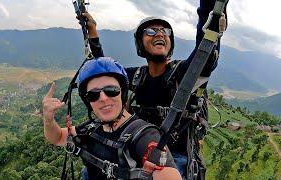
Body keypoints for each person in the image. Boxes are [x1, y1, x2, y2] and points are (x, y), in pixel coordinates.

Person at [79, 0, 227, 178]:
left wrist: (211, 7)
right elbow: (106, 73)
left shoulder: (184, 75)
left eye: (165, 31)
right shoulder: (137, 76)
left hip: (174, 158)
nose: (159, 34)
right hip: (138, 149)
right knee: (90, 170)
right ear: (140, 43)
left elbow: (206, 49)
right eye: (151, 31)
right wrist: (93, 36)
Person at [42, 57, 182, 180]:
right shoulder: (91, 129)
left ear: (123, 93)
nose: (103, 98)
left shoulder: (144, 136)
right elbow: (58, 137)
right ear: (88, 102)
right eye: (93, 95)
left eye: (111, 91)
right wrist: (48, 120)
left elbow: (167, 173)